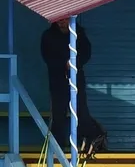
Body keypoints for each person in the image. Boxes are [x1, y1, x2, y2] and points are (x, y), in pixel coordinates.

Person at [40, 20, 107, 155]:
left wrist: (75, 62)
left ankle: (90, 142)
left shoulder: (79, 34)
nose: (63, 23)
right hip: (57, 81)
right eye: (60, 20)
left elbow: (86, 53)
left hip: (76, 80)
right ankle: (57, 149)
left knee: (81, 111)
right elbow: (47, 56)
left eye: (65, 20)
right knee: (58, 114)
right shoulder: (48, 36)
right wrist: (62, 64)